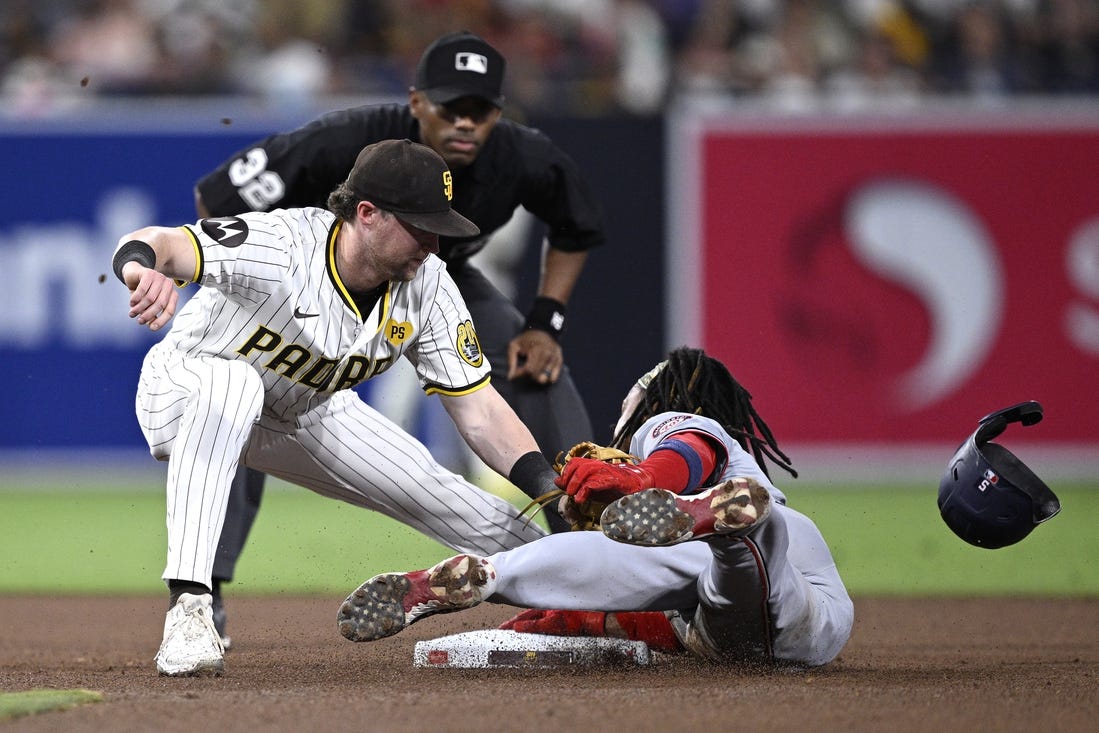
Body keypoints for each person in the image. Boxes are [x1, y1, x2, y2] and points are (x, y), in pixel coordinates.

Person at [194, 30, 605, 643]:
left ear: (499, 112)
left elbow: (578, 226)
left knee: (528, 356)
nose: (466, 123)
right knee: (249, 394)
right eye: (450, 107)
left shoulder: (521, 155)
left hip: (431, 276)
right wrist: (262, 293)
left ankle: (588, 530)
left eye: (481, 110)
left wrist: (547, 323)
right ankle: (207, 588)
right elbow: (218, 198)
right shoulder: (342, 140)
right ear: (416, 103)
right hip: (309, 276)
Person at [113, 139, 560, 676]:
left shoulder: (428, 284)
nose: (431, 243)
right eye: (419, 225)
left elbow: (480, 411)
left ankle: (596, 593)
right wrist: (142, 272)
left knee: (447, 496)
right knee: (232, 385)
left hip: (305, 410)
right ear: (366, 214)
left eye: (438, 226)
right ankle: (189, 607)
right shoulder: (281, 245)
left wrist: (549, 488)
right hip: (185, 387)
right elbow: (155, 240)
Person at [336, 347, 854, 668]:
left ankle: (493, 575)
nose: (621, 417)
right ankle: (728, 529)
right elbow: (619, 597)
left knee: (719, 547)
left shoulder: (669, 419)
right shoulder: (652, 527)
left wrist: (641, 477)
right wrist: (555, 621)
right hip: (792, 630)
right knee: (708, 568)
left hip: (752, 552)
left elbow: (691, 450)